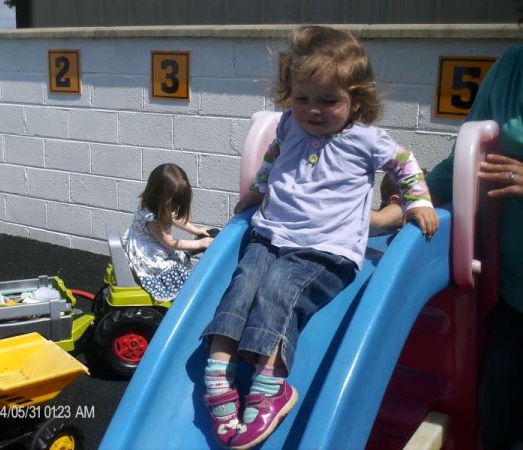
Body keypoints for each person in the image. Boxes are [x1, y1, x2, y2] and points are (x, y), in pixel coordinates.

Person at [200, 25, 438, 449]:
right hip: (271, 235)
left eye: (329, 101)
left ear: (356, 101)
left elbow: (404, 162)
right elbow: (274, 157)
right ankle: (218, 372)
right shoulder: (291, 124)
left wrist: (418, 200)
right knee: (242, 285)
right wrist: (258, 188)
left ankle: (271, 386)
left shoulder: (365, 140)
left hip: (325, 251)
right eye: (302, 98)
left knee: (277, 291)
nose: (313, 110)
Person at [426, 45, 523, 450]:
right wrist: (411, 196)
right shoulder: (513, 67)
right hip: (515, 301)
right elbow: (465, 163)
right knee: (498, 428)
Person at [123, 163, 213, 302]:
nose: (175, 208)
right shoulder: (150, 218)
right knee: (177, 270)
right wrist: (200, 243)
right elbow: (170, 243)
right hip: (148, 254)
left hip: (153, 244)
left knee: (180, 257)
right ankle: (181, 297)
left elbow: (175, 219)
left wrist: (196, 230)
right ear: (159, 196)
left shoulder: (155, 205)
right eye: (173, 204)